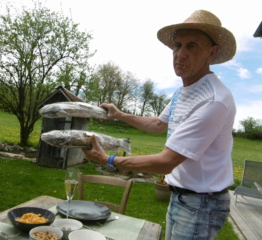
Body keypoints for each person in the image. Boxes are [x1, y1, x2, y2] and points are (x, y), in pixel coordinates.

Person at [82, 10, 237, 240]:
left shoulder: (213, 100)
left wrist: (108, 160)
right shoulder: (183, 92)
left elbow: (167, 162)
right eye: (177, 45)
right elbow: (158, 123)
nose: (180, 54)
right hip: (182, 196)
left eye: (192, 46)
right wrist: (120, 115)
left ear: (211, 53)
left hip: (202, 203)